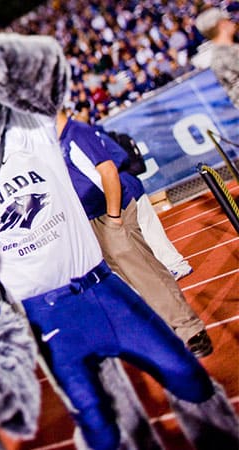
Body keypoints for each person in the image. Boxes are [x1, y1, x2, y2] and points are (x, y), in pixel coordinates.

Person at [57, 111, 213, 358]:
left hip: (109, 211)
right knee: (127, 278)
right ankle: (167, 330)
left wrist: (114, 216)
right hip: (90, 218)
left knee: (145, 270)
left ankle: (190, 330)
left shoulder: (77, 133)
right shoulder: (50, 144)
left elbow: (108, 171)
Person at [71, 104, 193, 279]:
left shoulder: (95, 135)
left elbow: (120, 156)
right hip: (119, 189)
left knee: (148, 228)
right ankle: (166, 269)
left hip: (127, 187)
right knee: (139, 235)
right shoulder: (85, 137)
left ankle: (176, 264)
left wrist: (105, 169)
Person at [196, 7, 239, 107]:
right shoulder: (226, 54)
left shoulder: (221, 54)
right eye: (228, 20)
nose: (232, 22)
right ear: (222, 24)